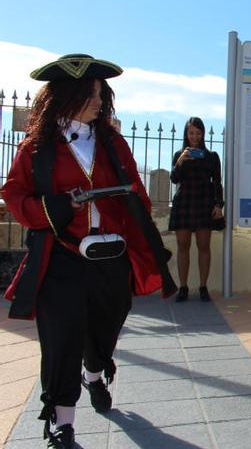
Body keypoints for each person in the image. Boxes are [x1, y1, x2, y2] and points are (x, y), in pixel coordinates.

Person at [2, 54, 176, 448]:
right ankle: (62, 422)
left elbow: (137, 192)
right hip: (61, 257)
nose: (100, 101)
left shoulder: (113, 142)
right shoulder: (36, 148)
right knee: (61, 336)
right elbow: (15, 196)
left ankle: (94, 371)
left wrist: (130, 208)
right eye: (92, 93)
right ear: (69, 95)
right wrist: (60, 206)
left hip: (109, 256)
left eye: (102, 93)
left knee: (106, 327)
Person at [169, 116, 224, 302]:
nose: (194, 136)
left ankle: (203, 287)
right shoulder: (179, 155)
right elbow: (174, 179)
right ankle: (183, 287)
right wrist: (181, 160)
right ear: (186, 134)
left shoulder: (211, 157)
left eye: (198, 133)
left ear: (203, 134)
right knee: (183, 246)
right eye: (191, 133)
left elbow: (217, 182)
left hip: (204, 203)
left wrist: (218, 204)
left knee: (204, 246)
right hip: (184, 202)